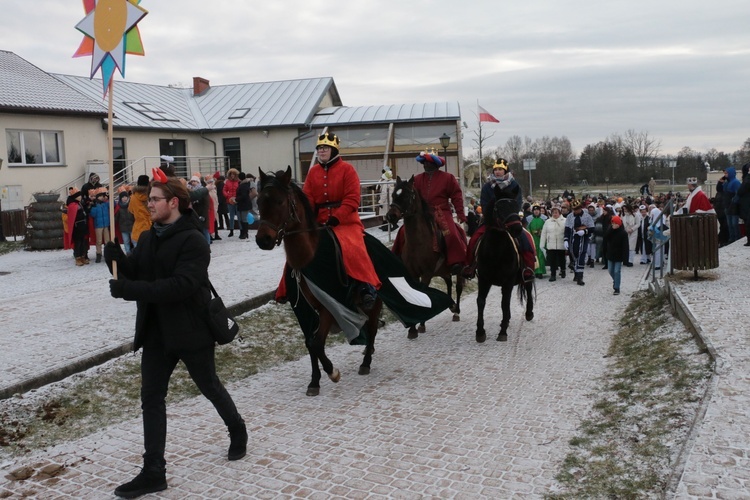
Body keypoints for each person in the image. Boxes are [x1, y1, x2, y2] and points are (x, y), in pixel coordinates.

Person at [103, 175, 247, 499]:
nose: (148, 203)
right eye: (149, 199)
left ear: (174, 203)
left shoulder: (195, 240)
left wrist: (130, 290)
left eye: (154, 199)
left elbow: (180, 286)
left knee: (209, 385)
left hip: (190, 330)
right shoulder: (149, 236)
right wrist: (116, 260)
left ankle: (237, 428)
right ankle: (154, 471)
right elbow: (138, 273)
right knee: (151, 397)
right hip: (156, 332)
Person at [302, 131, 380, 308]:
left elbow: (352, 198)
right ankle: (290, 287)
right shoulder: (313, 172)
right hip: (319, 222)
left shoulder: (347, 169)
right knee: (299, 247)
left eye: (325, 148)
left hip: (345, 222)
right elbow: (307, 199)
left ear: (334, 150)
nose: (321, 151)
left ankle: (365, 287)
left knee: (353, 247)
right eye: (319, 148)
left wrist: (337, 217)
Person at [392, 150, 468, 275]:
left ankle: (456, 262)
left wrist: (460, 213)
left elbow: (456, 196)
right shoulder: (416, 179)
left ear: (436, 164)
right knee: (402, 232)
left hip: (441, 211)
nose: (426, 165)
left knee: (452, 233)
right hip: (422, 213)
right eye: (424, 163)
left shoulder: (448, 178)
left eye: (429, 163)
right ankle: (397, 258)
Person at [463, 158, 535, 280]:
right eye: (495, 169)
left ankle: (527, 267)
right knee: (474, 239)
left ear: (505, 170)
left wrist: (509, 214)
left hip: (509, 221)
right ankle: (470, 266)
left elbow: (517, 202)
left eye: (500, 169)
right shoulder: (487, 186)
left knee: (524, 238)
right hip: (491, 221)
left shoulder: (514, 185)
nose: (497, 172)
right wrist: (491, 214)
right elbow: (484, 203)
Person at [564, 199, 595, 286]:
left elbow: (592, 228)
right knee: (574, 256)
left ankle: (580, 277)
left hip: (583, 238)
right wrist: (566, 240)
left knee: (581, 256)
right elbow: (567, 229)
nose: (576, 211)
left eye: (578, 209)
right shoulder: (570, 216)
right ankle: (576, 273)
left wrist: (585, 232)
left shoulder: (587, 216)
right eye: (575, 209)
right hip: (573, 239)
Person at [602, 215, 629, 295]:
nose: (614, 224)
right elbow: (606, 237)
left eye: (615, 223)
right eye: (612, 223)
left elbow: (625, 246)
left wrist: (625, 258)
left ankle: (617, 287)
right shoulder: (610, 230)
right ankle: (616, 280)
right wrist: (611, 229)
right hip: (610, 254)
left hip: (619, 255)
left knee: (617, 271)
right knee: (610, 270)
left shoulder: (623, 233)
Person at [540, 205, 566, 281]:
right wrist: (542, 244)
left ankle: (563, 270)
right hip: (551, 244)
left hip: (561, 243)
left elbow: (567, 232)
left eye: (556, 212)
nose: (555, 214)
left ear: (559, 213)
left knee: (561, 259)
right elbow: (544, 233)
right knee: (552, 260)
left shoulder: (564, 220)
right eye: (553, 213)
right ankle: (553, 274)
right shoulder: (547, 222)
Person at [65, 188, 90, 266]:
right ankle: (78, 258)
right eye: (79, 196)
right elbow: (73, 217)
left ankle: (83, 256)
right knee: (78, 243)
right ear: (75, 197)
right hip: (77, 227)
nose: (80, 197)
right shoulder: (72, 205)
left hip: (82, 226)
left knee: (83, 242)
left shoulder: (79, 204)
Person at [88, 189, 111, 263]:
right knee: (99, 241)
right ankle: (99, 254)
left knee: (107, 240)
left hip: (106, 225)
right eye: (100, 196)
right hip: (98, 225)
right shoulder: (95, 205)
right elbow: (92, 214)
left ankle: (108, 254)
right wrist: (93, 207)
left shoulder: (105, 204)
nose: (102, 197)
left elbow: (113, 204)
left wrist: (109, 197)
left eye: (102, 196)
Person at [130, 175, 152, 248]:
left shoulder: (133, 197)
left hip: (137, 230)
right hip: (151, 228)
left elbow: (131, 210)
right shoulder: (151, 196)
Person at [526, 204, 547, 278]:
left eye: (537, 210)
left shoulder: (544, 219)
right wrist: (530, 233)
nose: (536, 211)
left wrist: (541, 232)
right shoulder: (529, 219)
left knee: (541, 255)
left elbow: (546, 228)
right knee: (534, 255)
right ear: (533, 211)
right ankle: (534, 271)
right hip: (533, 239)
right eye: (535, 210)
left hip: (541, 239)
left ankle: (540, 271)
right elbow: (527, 228)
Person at [235, 171, 257, 240]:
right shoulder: (244, 184)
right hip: (243, 204)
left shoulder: (243, 185)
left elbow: (243, 195)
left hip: (244, 204)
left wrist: (236, 199)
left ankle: (244, 233)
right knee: (242, 219)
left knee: (244, 219)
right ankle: (243, 233)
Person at [722, 167, 742, 243]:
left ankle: (737, 238)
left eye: (726, 173)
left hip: (733, 206)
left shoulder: (735, 182)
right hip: (727, 205)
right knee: (729, 224)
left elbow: (738, 193)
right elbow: (723, 190)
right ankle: (732, 238)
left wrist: (734, 201)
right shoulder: (727, 182)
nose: (725, 175)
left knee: (734, 223)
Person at [222, 168, 240, 237]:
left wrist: (236, 198)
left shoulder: (238, 182)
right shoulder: (227, 182)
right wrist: (228, 196)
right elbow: (224, 190)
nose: (232, 175)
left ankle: (241, 229)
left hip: (237, 201)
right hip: (229, 201)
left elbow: (239, 190)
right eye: (231, 174)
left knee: (239, 216)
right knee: (231, 216)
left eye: (233, 174)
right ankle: (231, 230)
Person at [116, 191, 135, 255]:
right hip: (123, 228)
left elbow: (135, 215)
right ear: (120, 198)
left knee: (134, 240)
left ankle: (136, 252)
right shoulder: (119, 208)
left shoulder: (131, 205)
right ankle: (128, 253)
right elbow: (116, 217)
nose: (124, 198)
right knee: (126, 241)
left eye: (125, 197)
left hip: (132, 226)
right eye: (123, 197)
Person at [737, 163, 750, 246]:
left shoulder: (747, 179)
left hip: (747, 203)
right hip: (746, 203)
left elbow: (741, 190)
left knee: (748, 222)